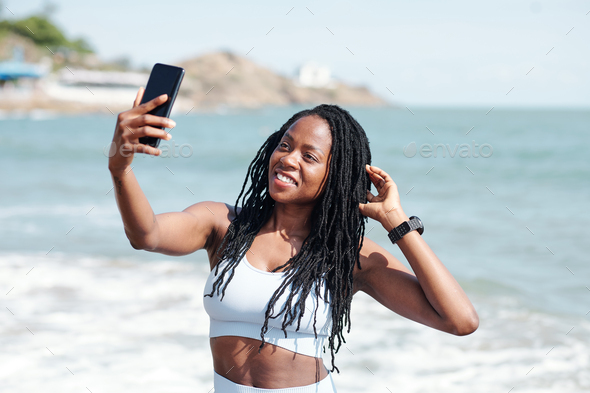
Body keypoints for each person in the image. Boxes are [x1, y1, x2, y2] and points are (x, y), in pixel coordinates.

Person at [108, 88, 479, 393]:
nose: (288, 159)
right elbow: (147, 234)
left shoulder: (349, 256)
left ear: (334, 175)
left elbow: (459, 321)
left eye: (309, 156)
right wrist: (120, 167)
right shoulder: (222, 224)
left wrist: (396, 222)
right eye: (284, 146)